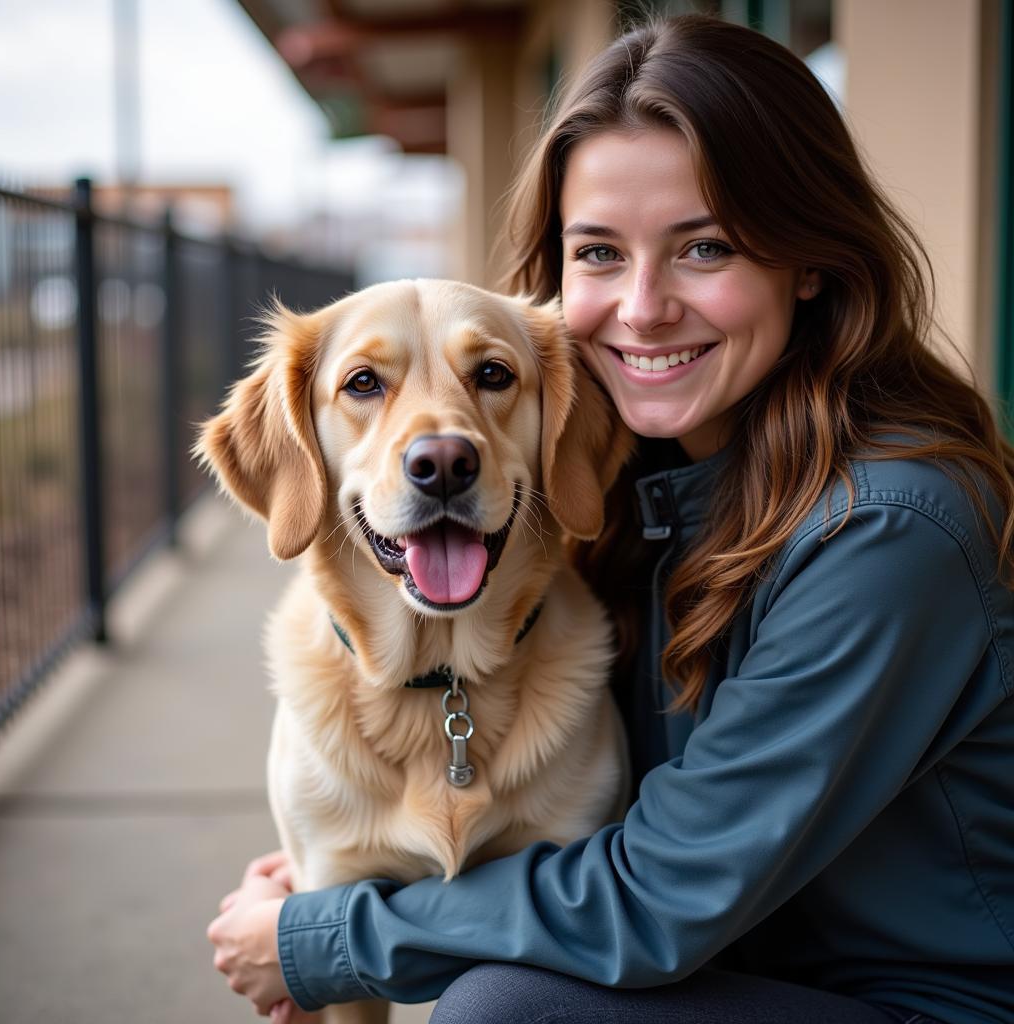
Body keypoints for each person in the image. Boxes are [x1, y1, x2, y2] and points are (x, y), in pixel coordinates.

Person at [207, 14, 1014, 1024]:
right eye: (597, 252)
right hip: (743, 968)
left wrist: (327, 937)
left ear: (809, 260)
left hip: (907, 1004)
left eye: (704, 246)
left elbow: (661, 895)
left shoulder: (891, 530)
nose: (640, 306)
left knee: (501, 1009)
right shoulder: (620, 487)